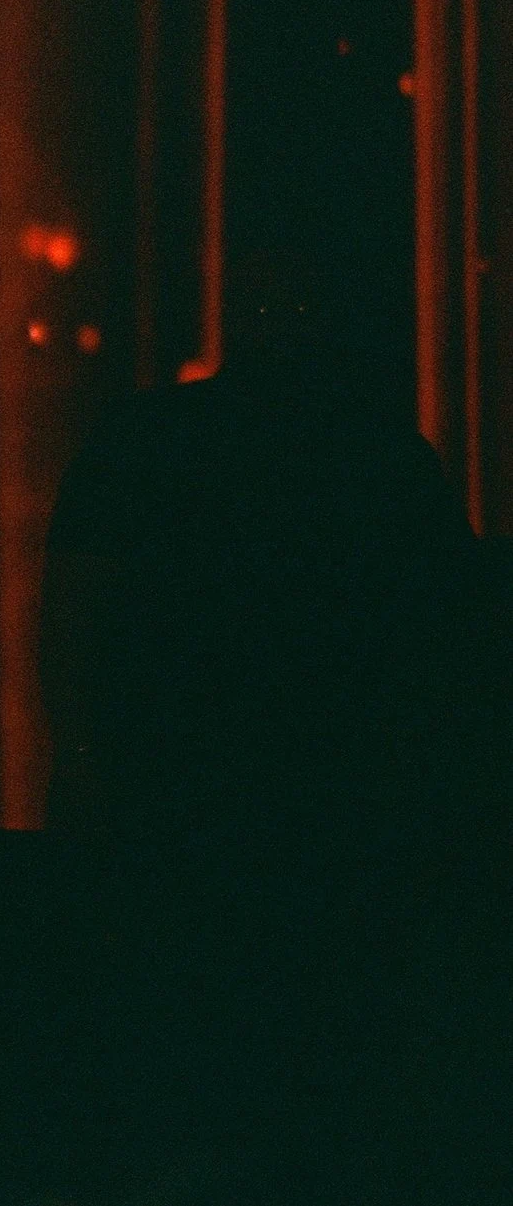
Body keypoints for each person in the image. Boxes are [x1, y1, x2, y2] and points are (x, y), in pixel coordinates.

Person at [40, 246, 502, 1184]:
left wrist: (87, 771)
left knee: (181, 1119)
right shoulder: (379, 463)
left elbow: (75, 614)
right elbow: (449, 645)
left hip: (184, 838)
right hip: (320, 855)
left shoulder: (149, 442)